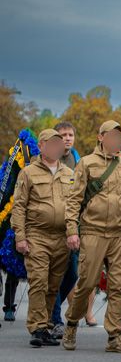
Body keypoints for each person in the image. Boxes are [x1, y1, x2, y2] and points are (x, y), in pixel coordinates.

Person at [61, 120, 121, 354]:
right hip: (93, 232)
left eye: (119, 137)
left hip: (119, 233)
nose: (116, 141)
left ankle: (115, 336)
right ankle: (72, 324)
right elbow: (74, 199)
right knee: (86, 284)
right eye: (111, 136)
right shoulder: (86, 163)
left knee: (118, 286)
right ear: (101, 137)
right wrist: (72, 231)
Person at [11, 129, 73, 347]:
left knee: (53, 285)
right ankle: (37, 327)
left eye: (59, 144)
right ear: (42, 146)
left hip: (61, 238)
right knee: (38, 280)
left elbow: (74, 207)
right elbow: (18, 207)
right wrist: (20, 237)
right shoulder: (28, 173)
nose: (58, 147)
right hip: (37, 234)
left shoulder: (67, 173)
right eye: (53, 143)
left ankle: (45, 324)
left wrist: (73, 233)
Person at [49, 121, 81, 338]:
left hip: (73, 227)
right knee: (55, 275)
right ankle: (54, 320)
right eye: (63, 135)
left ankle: (50, 305)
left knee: (73, 273)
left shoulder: (80, 162)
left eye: (70, 134)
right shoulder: (48, 161)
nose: (67, 138)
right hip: (50, 229)